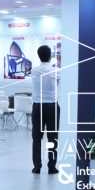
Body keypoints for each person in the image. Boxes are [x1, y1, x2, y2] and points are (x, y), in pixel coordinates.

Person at [31, 45, 60, 174]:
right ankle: (51, 167)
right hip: (52, 106)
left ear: (39, 56)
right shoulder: (56, 71)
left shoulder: (34, 71)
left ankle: (37, 167)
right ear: (50, 56)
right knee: (52, 138)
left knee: (37, 138)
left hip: (37, 106)